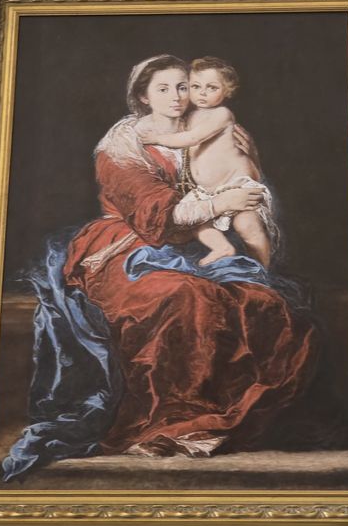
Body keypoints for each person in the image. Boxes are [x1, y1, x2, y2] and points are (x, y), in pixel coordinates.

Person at [61, 54, 318, 458]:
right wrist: (222, 203)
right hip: (128, 245)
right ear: (143, 97)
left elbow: (240, 174)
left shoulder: (206, 126)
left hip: (195, 242)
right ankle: (169, 422)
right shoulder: (122, 145)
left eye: (184, 86)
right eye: (163, 88)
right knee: (181, 297)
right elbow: (153, 213)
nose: (178, 96)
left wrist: (245, 170)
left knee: (258, 299)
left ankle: (219, 420)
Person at [137, 56, 274, 267]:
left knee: (248, 227)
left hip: (236, 184)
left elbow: (193, 138)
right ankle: (222, 247)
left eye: (211, 87)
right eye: (195, 86)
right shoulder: (190, 116)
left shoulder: (222, 114)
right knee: (196, 223)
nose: (202, 93)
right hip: (206, 191)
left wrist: (158, 139)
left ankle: (263, 271)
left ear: (227, 91)